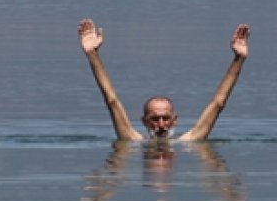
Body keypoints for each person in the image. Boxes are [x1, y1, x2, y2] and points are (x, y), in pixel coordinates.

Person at [78, 18, 249, 141]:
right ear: (144, 121)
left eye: (166, 118)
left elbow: (218, 103)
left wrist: (239, 59)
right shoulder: (132, 141)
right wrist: (93, 55)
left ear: (175, 120)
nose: (161, 124)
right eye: (154, 118)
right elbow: (112, 101)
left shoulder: (189, 142)